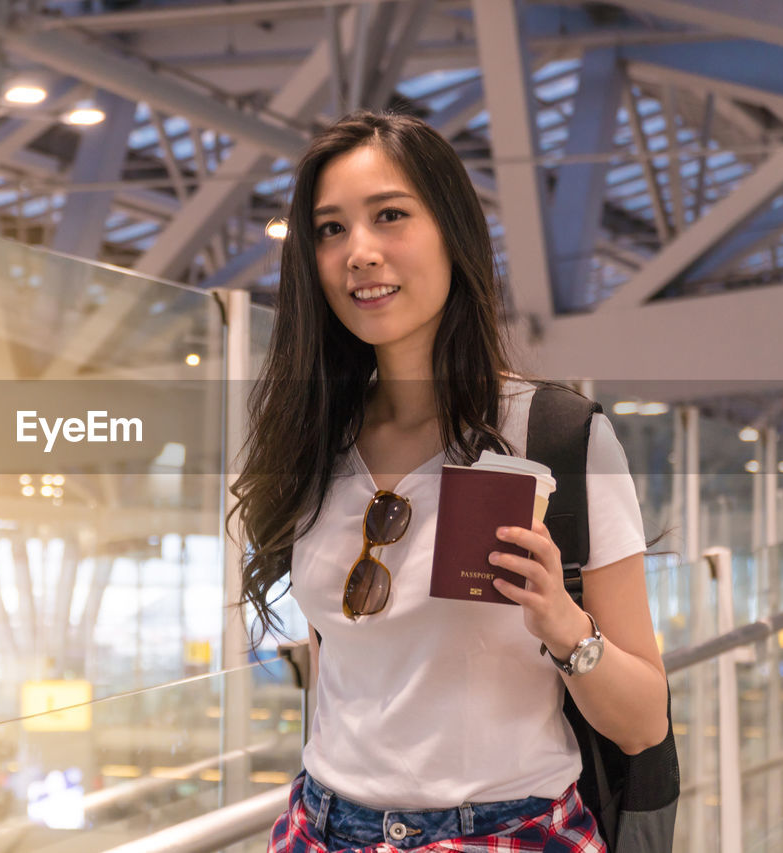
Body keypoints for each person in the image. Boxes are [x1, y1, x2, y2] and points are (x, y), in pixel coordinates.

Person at [227, 111, 669, 852]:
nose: (358, 252)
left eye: (390, 216)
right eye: (330, 230)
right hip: (321, 826)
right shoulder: (313, 439)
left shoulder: (558, 436)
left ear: (452, 233)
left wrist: (564, 624)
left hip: (506, 833)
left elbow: (644, 720)